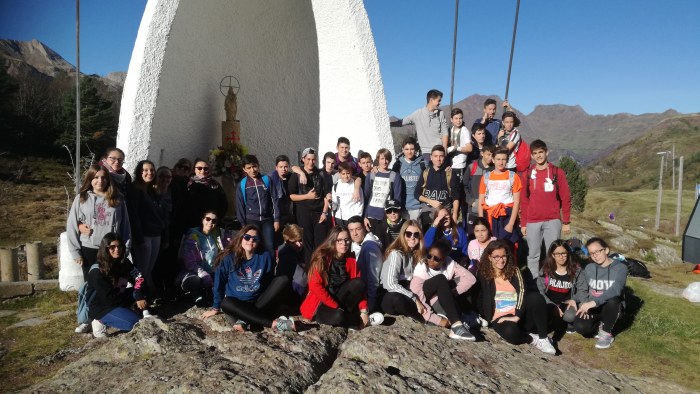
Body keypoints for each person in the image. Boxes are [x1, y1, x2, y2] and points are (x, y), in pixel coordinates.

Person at [201, 225, 295, 332]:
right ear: (241, 238)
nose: (250, 241)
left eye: (255, 239)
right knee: (226, 303)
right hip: (237, 305)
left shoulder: (265, 256)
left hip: (257, 302)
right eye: (247, 237)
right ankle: (274, 324)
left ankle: (244, 320)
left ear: (259, 242)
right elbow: (219, 283)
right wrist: (215, 308)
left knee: (282, 280)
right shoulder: (228, 258)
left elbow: (268, 281)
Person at [475, 240, 556, 354]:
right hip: (500, 317)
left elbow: (522, 291)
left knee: (536, 298)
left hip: (519, 313)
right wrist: (483, 316)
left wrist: (517, 315)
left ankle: (543, 338)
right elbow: (479, 296)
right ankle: (532, 339)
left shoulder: (514, 270)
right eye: (496, 257)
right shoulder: (482, 274)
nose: (501, 260)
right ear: (490, 257)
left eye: (504, 256)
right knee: (510, 333)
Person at [67, 164, 131, 282]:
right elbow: (72, 225)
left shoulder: (118, 199)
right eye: (96, 177)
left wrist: (125, 248)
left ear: (108, 179)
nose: (100, 181)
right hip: (89, 248)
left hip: (112, 249)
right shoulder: (82, 198)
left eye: (103, 177)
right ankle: (89, 301)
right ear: (90, 179)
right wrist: (75, 252)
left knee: (111, 281)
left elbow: (125, 226)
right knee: (91, 283)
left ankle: (110, 301)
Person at [300, 226, 372, 328]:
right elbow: (315, 286)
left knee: (359, 283)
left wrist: (364, 310)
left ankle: (357, 318)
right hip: (322, 304)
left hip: (341, 299)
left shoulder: (350, 260)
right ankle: (354, 320)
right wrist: (336, 306)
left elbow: (360, 290)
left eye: (347, 240)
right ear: (333, 240)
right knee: (338, 316)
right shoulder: (322, 258)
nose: (344, 243)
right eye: (340, 240)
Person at [520, 140, 572, 279]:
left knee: (553, 253)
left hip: (553, 220)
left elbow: (565, 197)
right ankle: (533, 281)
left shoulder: (557, 172)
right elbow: (524, 200)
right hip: (533, 220)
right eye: (535, 153)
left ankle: (552, 280)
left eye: (541, 152)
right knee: (533, 254)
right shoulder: (527, 174)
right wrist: (523, 223)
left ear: (547, 152)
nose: (538, 156)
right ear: (531, 156)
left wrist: (566, 221)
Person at [409, 240, 477, 340]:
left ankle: (462, 318)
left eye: (436, 258)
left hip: (440, 297)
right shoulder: (422, 267)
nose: (431, 260)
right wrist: (435, 319)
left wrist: (449, 294)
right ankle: (456, 325)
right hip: (423, 298)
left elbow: (470, 278)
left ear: (444, 259)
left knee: (458, 281)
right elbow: (416, 295)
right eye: (429, 256)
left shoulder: (449, 264)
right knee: (441, 279)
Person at [573, 237, 628, 349]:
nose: (595, 256)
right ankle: (599, 324)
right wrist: (583, 303)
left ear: (606, 250)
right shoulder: (589, 268)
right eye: (591, 253)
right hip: (593, 306)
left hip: (611, 306)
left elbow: (616, 289)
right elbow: (583, 289)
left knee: (613, 300)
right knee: (581, 328)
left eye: (598, 251)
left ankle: (606, 333)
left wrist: (594, 302)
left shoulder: (621, 268)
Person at [88, 233, 145, 338]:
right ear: (105, 249)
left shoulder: (124, 262)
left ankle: (139, 311)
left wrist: (139, 296)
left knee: (144, 291)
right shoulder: (97, 271)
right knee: (135, 323)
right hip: (103, 306)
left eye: (119, 246)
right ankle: (99, 321)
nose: (117, 249)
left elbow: (138, 278)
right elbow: (109, 300)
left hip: (119, 296)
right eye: (112, 247)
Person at [128, 160, 167, 300]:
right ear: (139, 172)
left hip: (155, 234)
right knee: (142, 271)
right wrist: (139, 238)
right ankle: (139, 298)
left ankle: (147, 296)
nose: (149, 173)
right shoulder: (135, 190)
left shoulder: (152, 190)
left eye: (152, 170)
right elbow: (134, 215)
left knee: (149, 269)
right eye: (145, 170)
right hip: (143, 236)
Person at [176, 210, 229, 307]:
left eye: (214, 221)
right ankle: (197, 296)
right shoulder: (193, 235)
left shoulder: (217, 236)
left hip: (213, 271)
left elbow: (225, 253)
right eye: (208, 219)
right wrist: (203, 274)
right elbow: (189, 262)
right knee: (194, 280)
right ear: (202, 220)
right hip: (194, 272)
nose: (210, 222)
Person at [288, 148, 332, 262]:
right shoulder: (296, 175)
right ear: (303, 159)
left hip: (319, 213)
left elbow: (326, 194)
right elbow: (291, 196)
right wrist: (307, 196)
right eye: (308, 159)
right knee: (307, 244)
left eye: (313, 159)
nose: (311, 162)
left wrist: (324, 212)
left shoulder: (321, 174)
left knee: (321, 244)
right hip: (303, 212)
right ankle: (309, 272)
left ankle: (319, 270)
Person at [536, 240, 585, 337]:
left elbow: (582, 290)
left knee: (570, 316)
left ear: (568, 253)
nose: (561, 256)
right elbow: (540, 290)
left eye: (563, 253)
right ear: (552, 255)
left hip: (567, 303)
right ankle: (557, 320)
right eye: (557, 254)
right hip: (548, 302)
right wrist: (551, 304)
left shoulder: (576, 270)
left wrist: (574, 299)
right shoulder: (546, 269)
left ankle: (567, 323)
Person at [379, 220, 424, 321]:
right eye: (408, 234)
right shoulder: (396, 253)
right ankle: (422, 319)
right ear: (403, 235)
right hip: (389, 295)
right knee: (397, 298)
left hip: (406, 292)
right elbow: (390, 284)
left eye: (416, 234)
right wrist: (414, 298)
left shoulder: (415, 254)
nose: (412, 237)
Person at [236, 154, 279, 256]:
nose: (252, 170)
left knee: (269, 245)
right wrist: (243, 225)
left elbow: (275, 199)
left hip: (267, 219)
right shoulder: (242, 184)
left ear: (258, 165)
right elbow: (240, 205)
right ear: (244, 169)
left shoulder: (266, 180)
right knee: (254, 246)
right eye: (249, 168)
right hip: (251, 220)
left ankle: (270, 270)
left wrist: (276, 219)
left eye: (254, 166)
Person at [478, 147, 521, 244]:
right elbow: (481, 200)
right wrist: (481, 222)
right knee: (492, 245)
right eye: (498, 159)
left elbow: (517, 201)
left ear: (507, 160)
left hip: (507, 215)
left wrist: (511, 223)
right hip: (490, 216)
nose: (501, 162)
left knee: (509, 245)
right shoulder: (486, 177)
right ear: (493, 160)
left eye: (503, 159)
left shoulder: (513, 176)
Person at [414, 145, 460, 232]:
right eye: (435, 156)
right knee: (428, 239)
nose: (438, 159)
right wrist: (430, 201)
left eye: (441, 156)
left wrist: (454, 215)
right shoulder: (426, 172)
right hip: (427, 212)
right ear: (431, 157)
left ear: (444, 157)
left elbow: (456, 196)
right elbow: (416, 194)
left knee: (443, 241)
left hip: (444, 211)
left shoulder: (450, 173)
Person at [395, 89, 448, 162]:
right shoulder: (418, 113)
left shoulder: (441, 114)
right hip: (426, 152)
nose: (440, 103)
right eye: (438, 100)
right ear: (431, 100)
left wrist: (444, 149)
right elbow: (403, 122)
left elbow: (445, 132)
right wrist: (388, 123)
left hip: (439, 151)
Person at [347, 216, 383, 312]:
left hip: (368, 295)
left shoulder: (370, 248)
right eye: (351, 230)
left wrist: (369, 307)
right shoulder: (354, 244)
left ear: (365, 228)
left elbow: (373, 279)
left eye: (358, 229)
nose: (355, 233)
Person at [182, 158, 228, 231]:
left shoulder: (215, 185)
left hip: (210, 224)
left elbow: (223, 204)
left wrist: (215, 218)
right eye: (199, 168)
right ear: (194, 170)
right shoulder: (188, 184)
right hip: (192, 224)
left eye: (205, 168)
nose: (203, 171)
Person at [363, 148, 403, 232]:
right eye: (382, 159)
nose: (385, 161)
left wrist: (394, 216)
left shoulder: (395, 176)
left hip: (386, 215)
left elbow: (397, 198)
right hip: (371, 215)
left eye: (387, 159)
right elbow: (367, 197)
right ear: (378, 160)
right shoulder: (371, 175)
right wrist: (365, 216)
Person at [446, 108, 472, 230]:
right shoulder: (450, 130)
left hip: (460, 166)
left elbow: (469, 148)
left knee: (459, 196)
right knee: (453, 194)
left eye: (460, 118)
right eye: (456, 118)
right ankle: (453, 221)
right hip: (451, 166)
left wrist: (456, 148)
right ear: (451, 120)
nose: (458, 120)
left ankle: (456, 220)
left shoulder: (464, 130)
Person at [392, 137, 426, 221]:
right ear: (402, 149)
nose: (409, 152)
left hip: (417, 206)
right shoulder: (398, 164)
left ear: (415, 150)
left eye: (412, 149)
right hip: (402, 206)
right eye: (406, 149)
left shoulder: (422, 164)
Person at [464, 143, 494, 227]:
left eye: (492, 155)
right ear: (482, 153)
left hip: (490, 209)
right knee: (472, 235)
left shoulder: (495, 169)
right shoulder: (472, 167)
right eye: (488, 154)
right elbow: (464, 186)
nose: (490, 157)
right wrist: (471, 201)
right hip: (474, 209)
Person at [269, 155, 295, 249]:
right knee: (278, 243)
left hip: (290, 215)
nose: (283, 169)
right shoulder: (271, 179)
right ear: (276, 167)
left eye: (285, 166)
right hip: (277, 216)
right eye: (280, 167)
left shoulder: (292, 178)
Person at [276, 224, 306, 297]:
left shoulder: (296, 251)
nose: (299, 244)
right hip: (292, 293)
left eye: (300, 240)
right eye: (294, 242)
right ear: (287, 242)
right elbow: (302, 280)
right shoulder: (287, 256)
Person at [331, 161, 364, 227]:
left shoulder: (356, 185)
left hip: (352, 218)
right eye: (343, 174)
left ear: (351, 173)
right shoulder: (336, 186)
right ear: (340, 174)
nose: (346, 176)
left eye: (348, 173)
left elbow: (360, 203)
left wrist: (357, 217)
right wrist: (330, 202)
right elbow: (334, 204)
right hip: (339, 218)